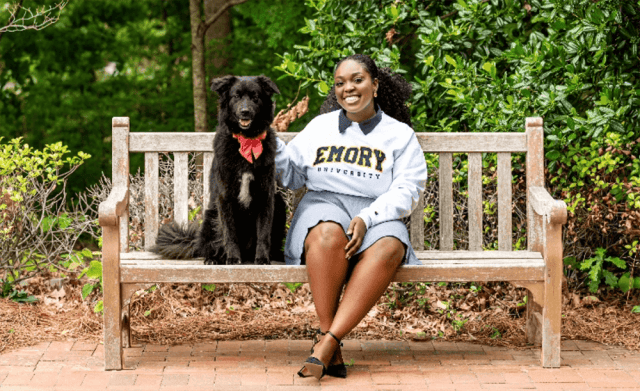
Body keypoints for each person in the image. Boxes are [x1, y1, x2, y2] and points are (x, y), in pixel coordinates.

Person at [274, 54, 428, 380]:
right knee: (328, 235)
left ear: (374, 83)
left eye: (357, 79)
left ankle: (326, 342)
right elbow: (290, 175)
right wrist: (267, 143)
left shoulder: (399, 135)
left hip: (377, 207)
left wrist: (368, 218)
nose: (349, 88)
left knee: (389, 247)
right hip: (323, 203)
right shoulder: (321, 126)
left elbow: (408, 189)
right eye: (340, 83)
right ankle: (331, 343)